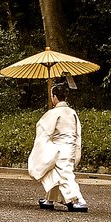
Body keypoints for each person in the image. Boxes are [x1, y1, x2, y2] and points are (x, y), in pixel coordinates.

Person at [27, 83, 88, 212]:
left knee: (65, 175)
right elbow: (78, 133)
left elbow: (43, 130)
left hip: (59, 149)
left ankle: (78, 199)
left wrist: (46, 148)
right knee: (54, 172)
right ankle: (49, 199)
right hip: (70, 147)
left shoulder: (54, 113)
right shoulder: (72, 112)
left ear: (54, 97)